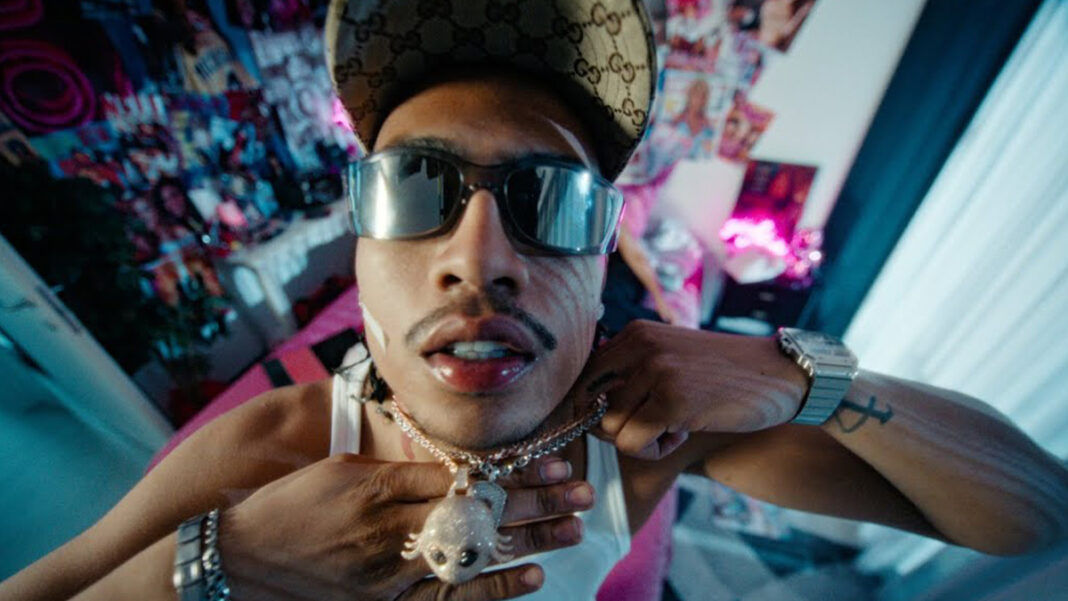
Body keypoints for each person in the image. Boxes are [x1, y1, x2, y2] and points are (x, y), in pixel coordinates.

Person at [4, 1, 1067, 600]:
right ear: (362, 248)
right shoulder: (270, 453)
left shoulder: (644, 441)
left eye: (550, 201)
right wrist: (220, 560)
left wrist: (799, 376)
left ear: (604, 256)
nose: (480, 260)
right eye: (415, 189)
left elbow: (1036, 514)